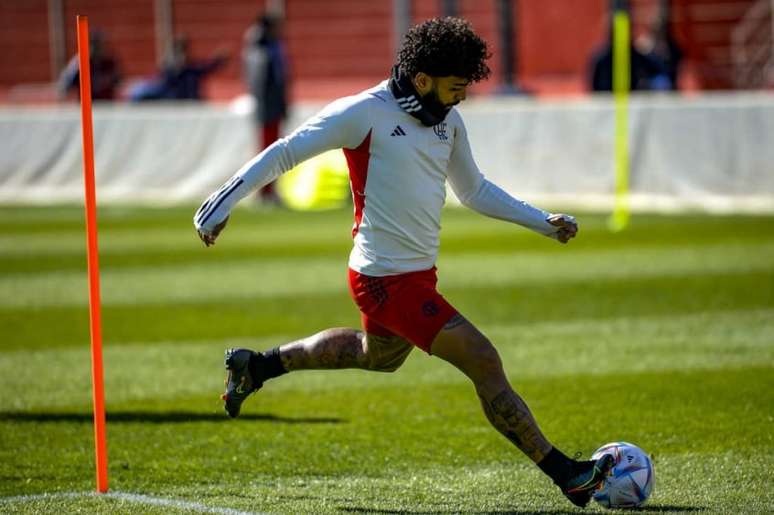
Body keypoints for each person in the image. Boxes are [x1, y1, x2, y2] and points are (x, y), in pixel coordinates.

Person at [194, 17, 612, 508]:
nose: (461, 98)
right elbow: (286, 153)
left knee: (379, 357)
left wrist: (542, 221)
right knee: (483, 359)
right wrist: (220, 204)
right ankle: (568, 474)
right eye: (455, 88)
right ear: (421, 80)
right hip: (383, 279)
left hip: (413, 274)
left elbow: (473, 190)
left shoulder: (447, 121)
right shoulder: (363, 113)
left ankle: (257, 366)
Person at [243, 12, 289, 204]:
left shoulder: (267, 47)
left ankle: (269, 190)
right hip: (267, 107)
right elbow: (261, 82)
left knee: (272, 150)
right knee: (268, 151)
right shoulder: (262, 50)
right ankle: (264, 192)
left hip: (272, 106)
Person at [59, 31, 121, 101]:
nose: (97, 49)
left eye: (99, 45)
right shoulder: (80, 63)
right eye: (94, 45)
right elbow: (65, 85)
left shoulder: (109, 62)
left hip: (106, 107)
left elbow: (118, 81)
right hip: (87, 105)